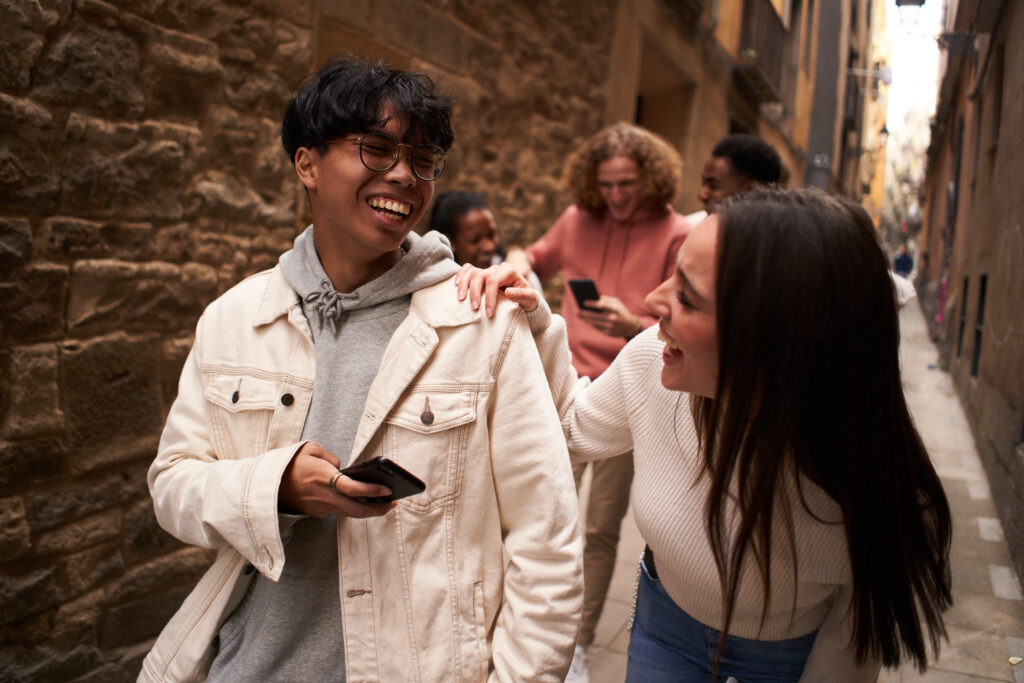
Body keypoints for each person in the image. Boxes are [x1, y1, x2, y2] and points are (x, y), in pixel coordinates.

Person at [140, 56, 582, 682]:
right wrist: (275, 488)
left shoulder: (481, 321)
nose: (403, 174)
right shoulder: (235, 316)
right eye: (376, 148)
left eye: (422, 159)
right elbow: (173, 486)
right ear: (307, 164)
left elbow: (547, 543)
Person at [458, 187, 953, 681]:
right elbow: (569, 428)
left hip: (788, 662)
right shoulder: (651, 360)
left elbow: (850, 648)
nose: (652, 302)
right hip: (663, 632)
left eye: (687, 297)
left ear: (772, 336)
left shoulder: (883, 492)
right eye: (673, 276)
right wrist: (535, 322)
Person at [506, 122, 692, 681]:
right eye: (606, 184)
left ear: (651, 177)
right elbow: (531, 254)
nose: (614, 195)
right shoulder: (575, 220)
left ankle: (580, 643)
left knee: (599, 529)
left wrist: (632, 323)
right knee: (537, 512)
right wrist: (519, 263)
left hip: (627, 392)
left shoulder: (678, 232)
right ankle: (526, 626)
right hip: (560, 382)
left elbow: (684, 320)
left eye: (626, 184)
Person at [687, 133, 784, 223]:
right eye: (704, 183)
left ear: (750, 192)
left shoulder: (777, 235)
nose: (701, 195)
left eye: (713, 186)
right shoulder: (692, 226)